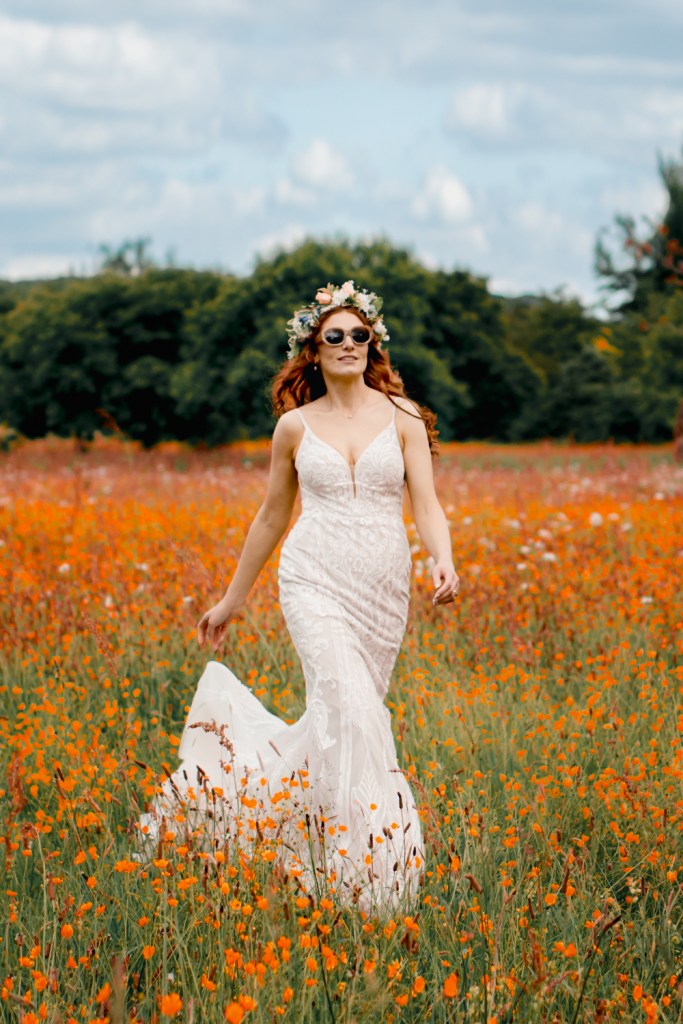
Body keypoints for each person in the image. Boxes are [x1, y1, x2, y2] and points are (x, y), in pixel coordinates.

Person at [138, 281, 459, 912]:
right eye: (333, 336)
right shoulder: (293, 427)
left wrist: (443, 558)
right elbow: (269, 518)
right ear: (313, 348)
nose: (347, 345)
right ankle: (369, 875)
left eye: (359, 335)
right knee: (356, 714)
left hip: (382, 589)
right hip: (311, 577)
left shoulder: (405, 420)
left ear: (374, 344)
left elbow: (426, 501)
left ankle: (294, 829)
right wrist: (232, 599)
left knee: (343, 721)